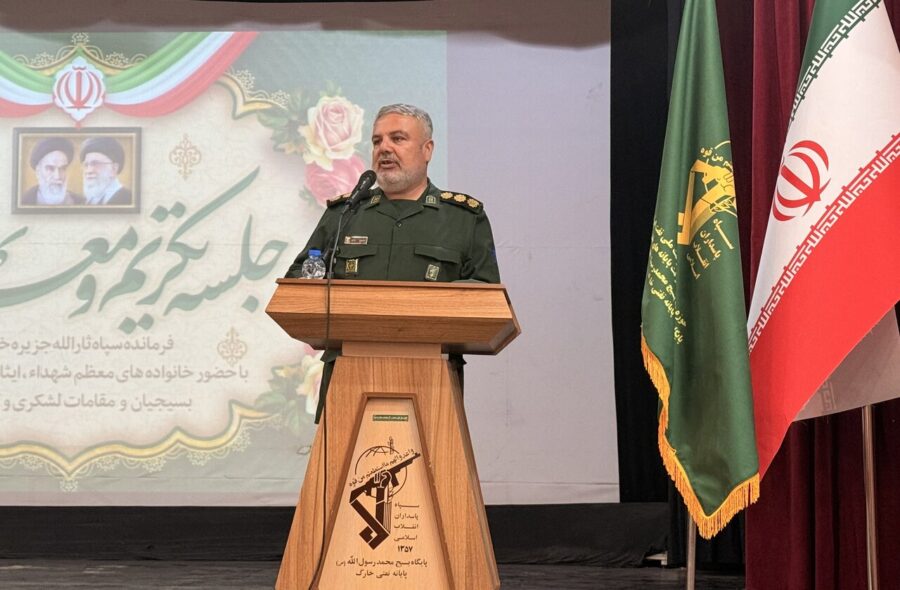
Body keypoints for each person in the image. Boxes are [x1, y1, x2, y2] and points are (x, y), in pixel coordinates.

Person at [285, 103, 501, 420]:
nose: (384, 148)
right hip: (346, 379)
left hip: (432, 384)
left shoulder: (463, 219)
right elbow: (298, 282)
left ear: (427, 150)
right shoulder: (345, 214)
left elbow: (486, 298)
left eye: (398, 139)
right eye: (377, 141)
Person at [21, 137, 83, 206]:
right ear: (38, 172)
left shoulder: (80, 202)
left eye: (63, 168)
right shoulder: (24, 201)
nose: (57, 176)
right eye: (50, 169)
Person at [80, 137, 133, 205]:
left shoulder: (128, 200)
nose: (89, 171)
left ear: (114, 169)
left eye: (96, 164)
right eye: (86, 165)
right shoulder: (86, 202)